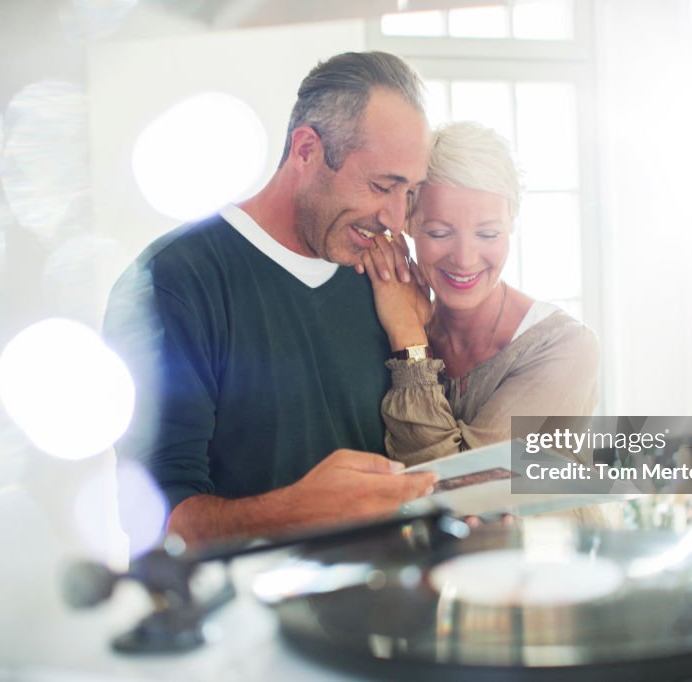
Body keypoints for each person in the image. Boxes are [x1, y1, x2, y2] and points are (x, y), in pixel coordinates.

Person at [103, 52, 437, 546]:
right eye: (381, 186)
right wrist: (296, 511)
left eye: (409, 193)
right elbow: (155, 524)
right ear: (305, 150)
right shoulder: (172, 281)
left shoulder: (386, 280)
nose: (393, 217)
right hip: (236, 619)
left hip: (377, 614)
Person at [361, 121, 600, 465]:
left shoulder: (566, 347)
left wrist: (409, 338)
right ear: (409, 225)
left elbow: (466, 489)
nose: (464, 259)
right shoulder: (388, 314)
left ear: (511, 226)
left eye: (487, 235)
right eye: (440, 233)